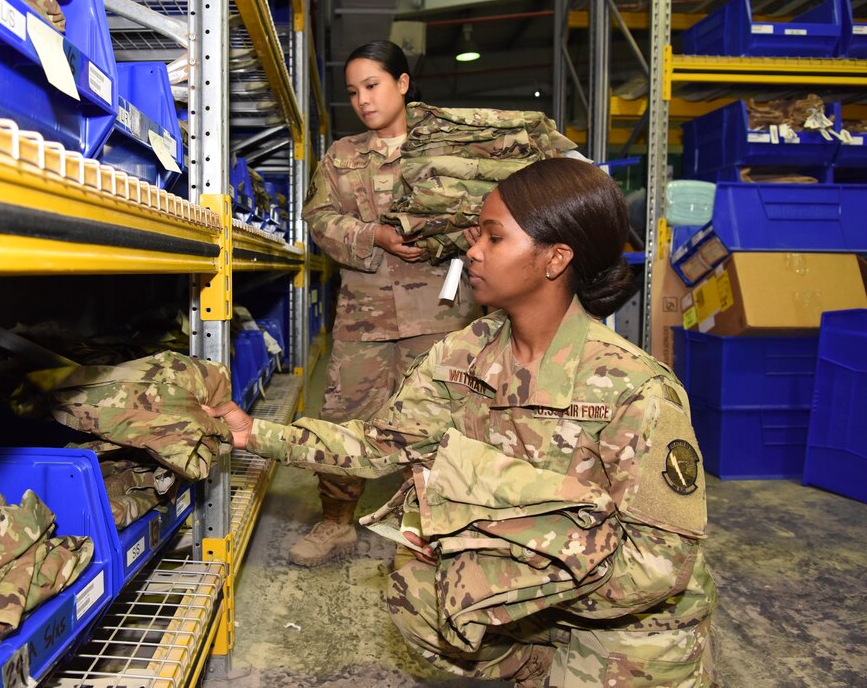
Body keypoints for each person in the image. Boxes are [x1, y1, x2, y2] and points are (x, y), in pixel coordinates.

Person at [206, 158, 718, 686]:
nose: (471, 251)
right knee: (416, 581)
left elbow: (659, 566)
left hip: (625, 625)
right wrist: (253, 433)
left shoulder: (636, 388)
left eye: (493, 239)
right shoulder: (467, 351)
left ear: (555, 259)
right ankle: (530, 666)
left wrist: (496, 580)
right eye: (476, 236)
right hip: (524, 596)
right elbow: (381, 445)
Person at [290, 40, 481, 567]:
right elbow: (319, 219)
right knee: (343, 420)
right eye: (352, 92)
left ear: (401, 83)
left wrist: (446, 236)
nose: (363, 100)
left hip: (441, 314)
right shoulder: (343, 156)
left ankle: (432, 534)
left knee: (437, 425)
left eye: (372, 85)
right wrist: (373, 235)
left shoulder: (450, 149)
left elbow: (488, 215)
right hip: (365, 314)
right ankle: (335, 523)